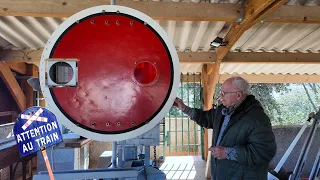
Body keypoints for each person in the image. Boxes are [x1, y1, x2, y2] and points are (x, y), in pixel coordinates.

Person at [173, 76, 277, 180]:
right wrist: (184, 108)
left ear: (238, 95)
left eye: (224, 93)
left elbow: (265, 152)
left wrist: (227, 153)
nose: (220, 96)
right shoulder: (223, 110)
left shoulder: (256, 118)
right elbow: (205, 118)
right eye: (220, 92)